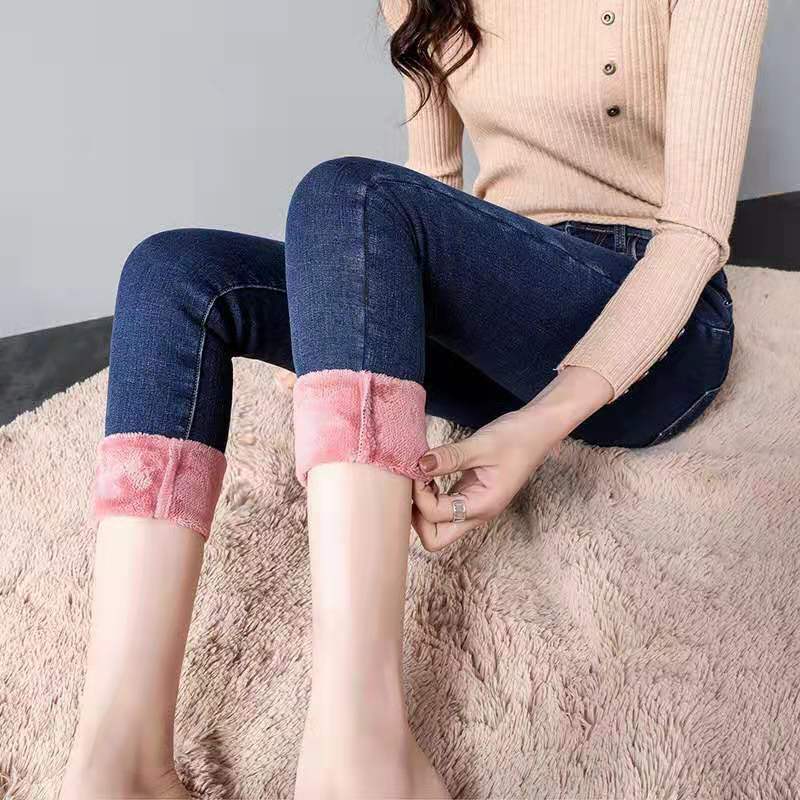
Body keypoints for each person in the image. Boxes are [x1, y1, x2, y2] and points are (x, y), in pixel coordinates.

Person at [59, 0, 769, 797]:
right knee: (172, 274)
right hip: (496, 300)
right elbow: (428, 194)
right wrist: (353, 346)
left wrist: (538, 424)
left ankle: (361, 756)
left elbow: (695, 237)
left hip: (658, 321)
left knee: (346, 193)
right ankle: (119, 766)